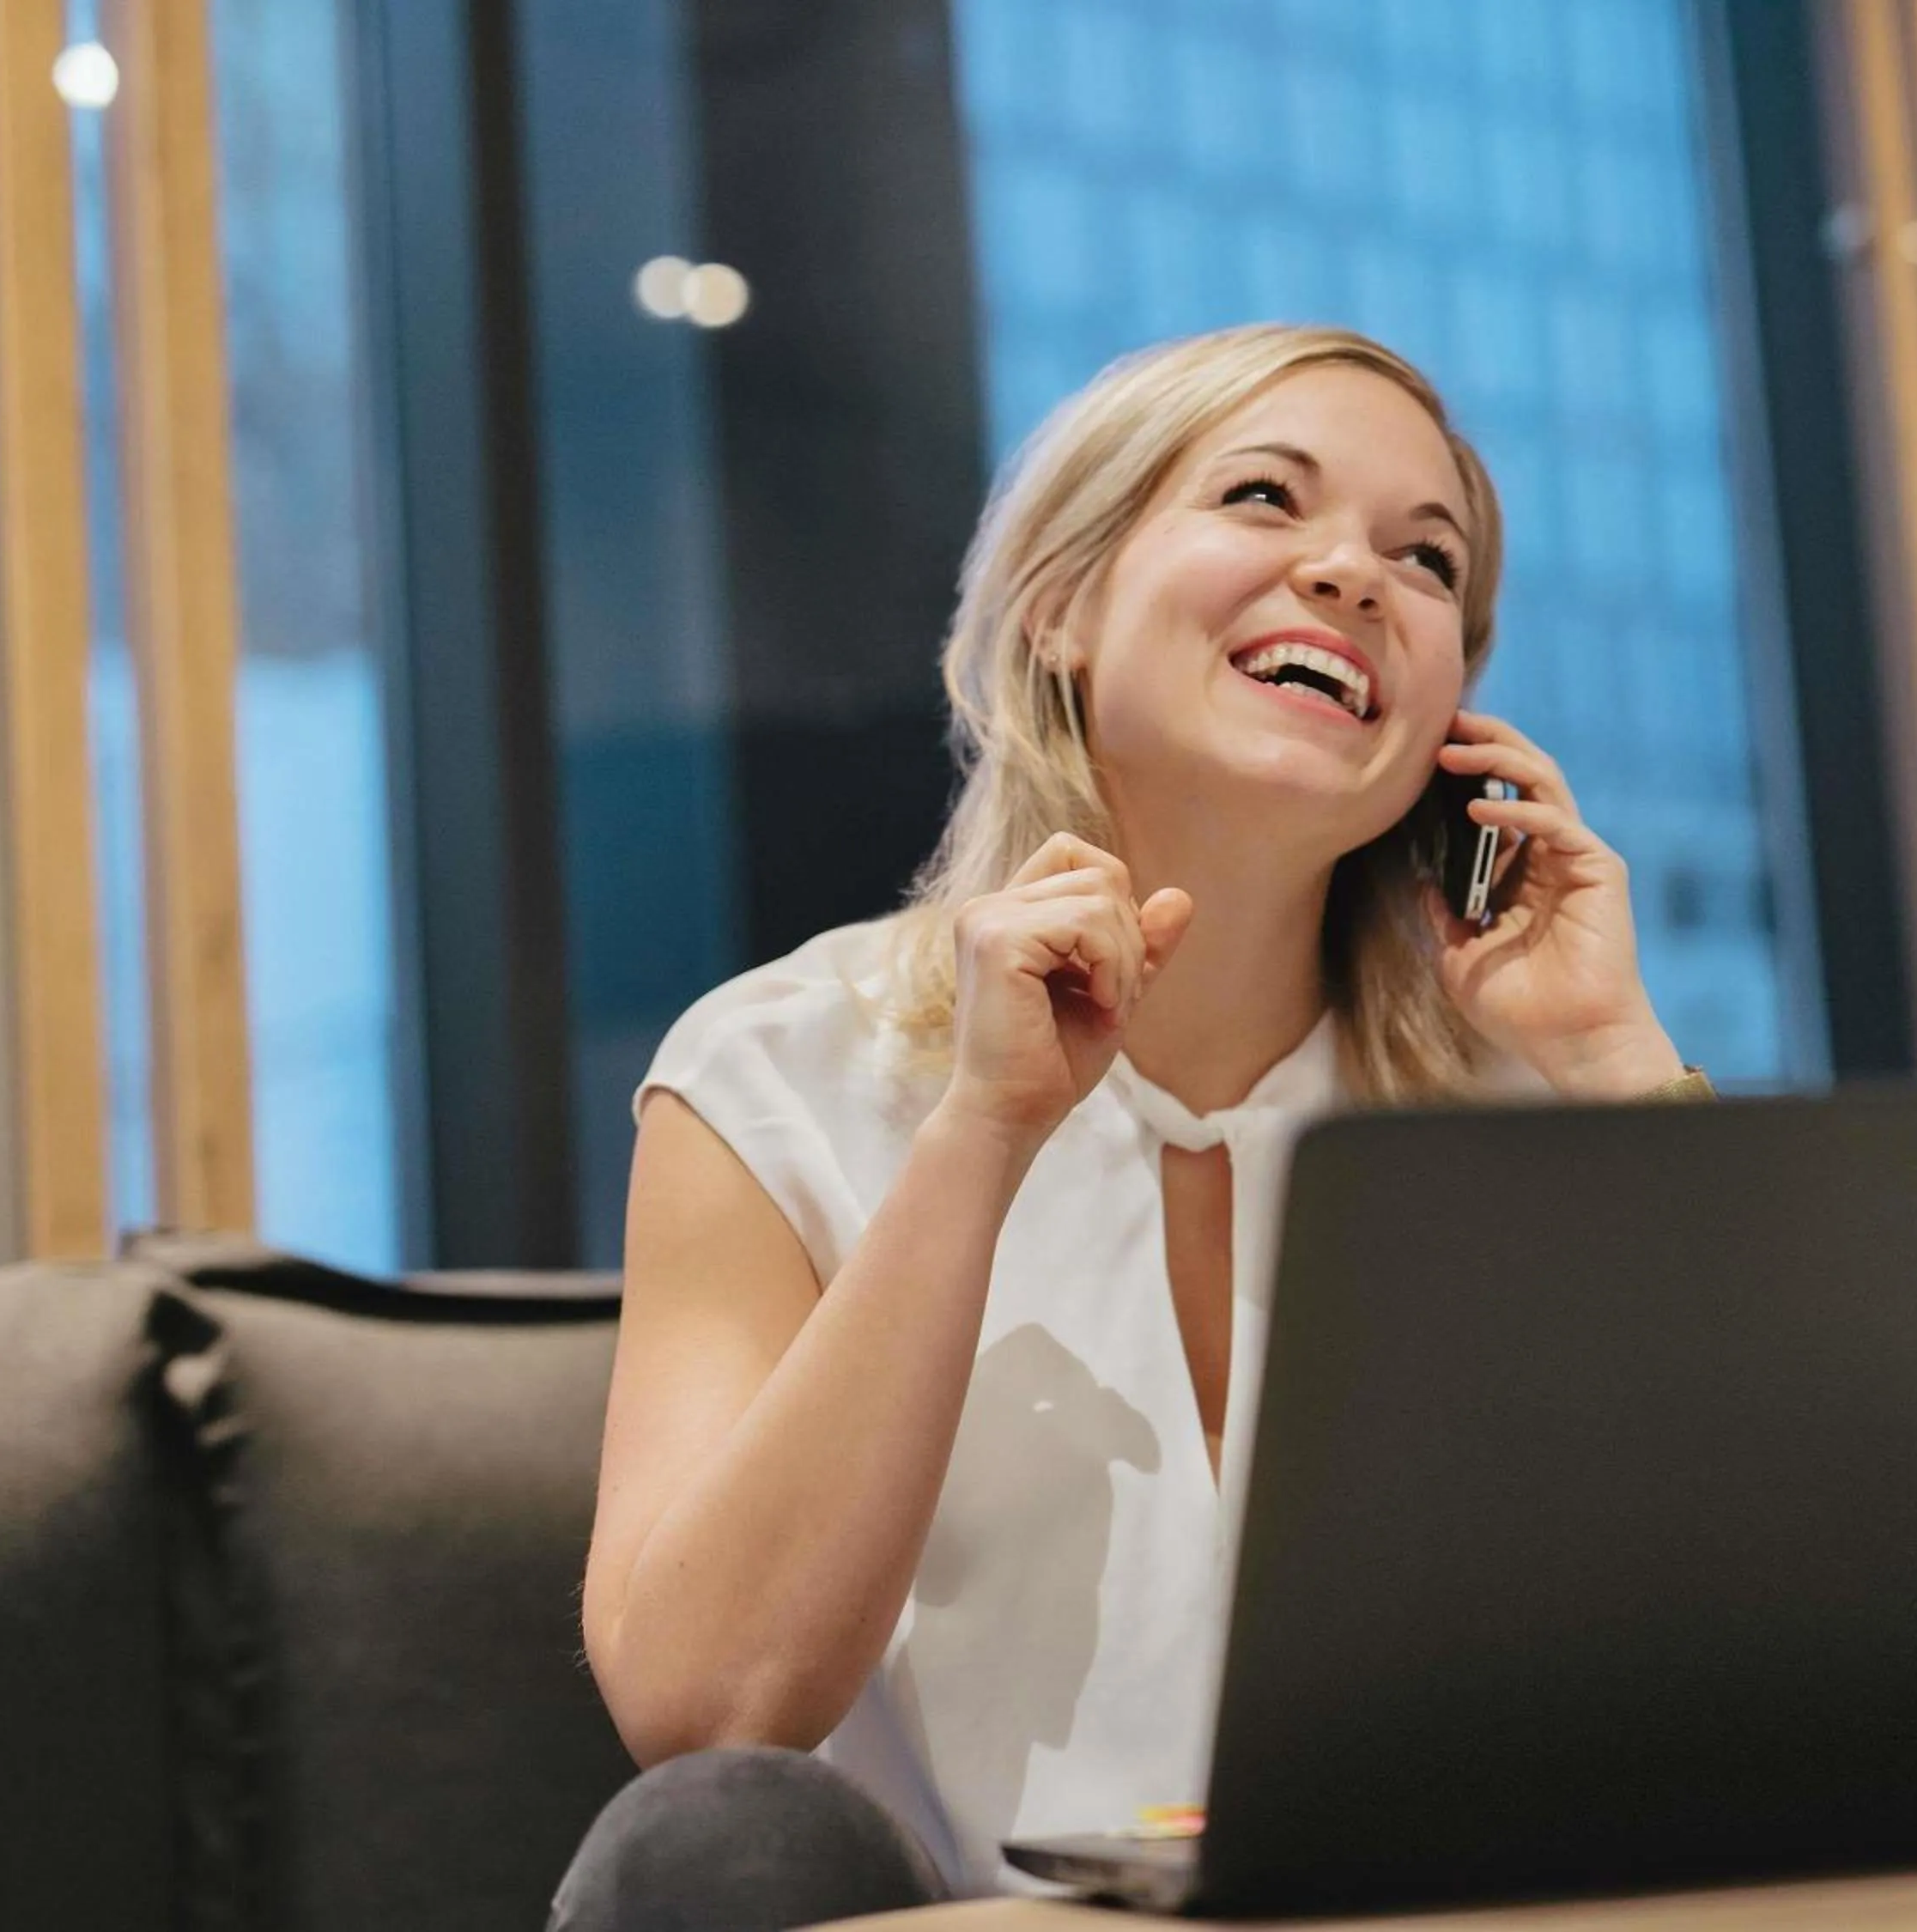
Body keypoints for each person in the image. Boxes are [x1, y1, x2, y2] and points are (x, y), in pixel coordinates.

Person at [549, 323, 1709, 1932]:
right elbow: (706, 1710)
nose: (1353, 575)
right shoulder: (776, 1070)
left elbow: (1876, 1614)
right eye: (1262, 495)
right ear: (1062, 604)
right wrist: (984, 1130)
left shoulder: (1536, 1103)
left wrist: (1618, 1061)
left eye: (1423, 560)